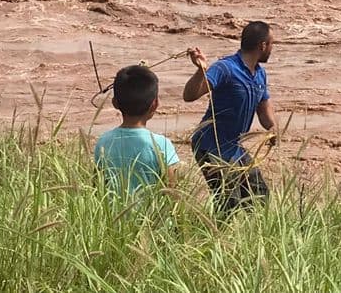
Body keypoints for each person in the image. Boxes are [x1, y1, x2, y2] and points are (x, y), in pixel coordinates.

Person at [183, 21, 278, 212]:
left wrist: (272, 128)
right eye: (272, 44)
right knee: (229, 206)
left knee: (260, 199)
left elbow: (263, 108)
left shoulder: (260, 74)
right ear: (262, 46)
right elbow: (190, 96)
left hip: (234, 148)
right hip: (211, 146)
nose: (272, 48)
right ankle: (212, 238)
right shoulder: (224, 68)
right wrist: (201, 70)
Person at [94, 65, 180, 194]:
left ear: (114, 103)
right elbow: (172, 193)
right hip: (151, 214)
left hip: (112, 214)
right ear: (155, 104)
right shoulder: (162, 145)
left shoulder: (103, 142)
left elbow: (97, 188)